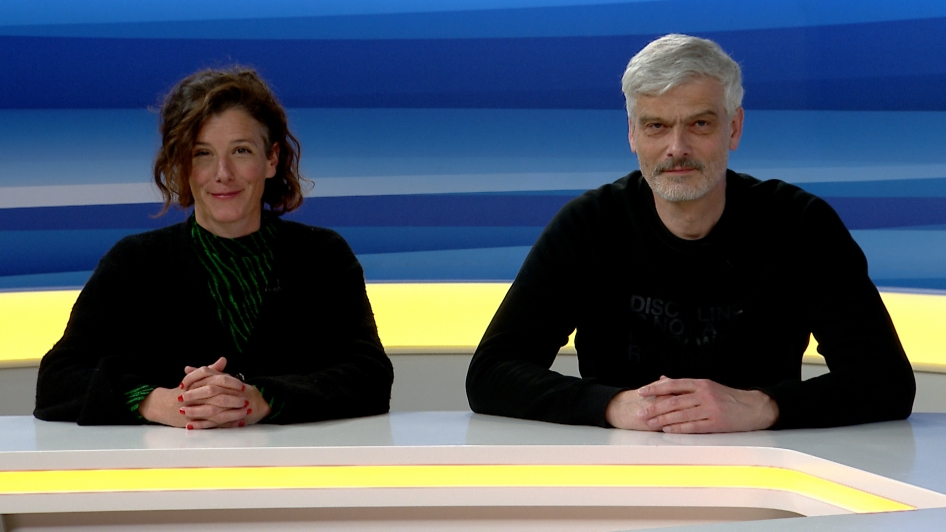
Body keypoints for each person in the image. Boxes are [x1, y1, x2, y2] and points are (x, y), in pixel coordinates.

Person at [466, 34, 915, 433]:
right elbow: (490, 373)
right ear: (632, 135)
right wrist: (613, 405)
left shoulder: (800, 224)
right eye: (656, 126)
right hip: (617, 467)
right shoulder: (588, 225)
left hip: (762, 470)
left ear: (733, 128)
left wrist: (762, 407)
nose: (676, 149)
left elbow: (887, 381)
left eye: (700, 124)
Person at [34, 67, 393, 428]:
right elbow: (57, 380)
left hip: (293, 464)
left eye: (241, 150)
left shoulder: (323, 256)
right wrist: (154, 402)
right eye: (202, 153)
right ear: (181, 164)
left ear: (271, 159)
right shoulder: (133, 262)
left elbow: (371, 374)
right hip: (168, 465)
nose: (223, 173)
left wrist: (264, 399)